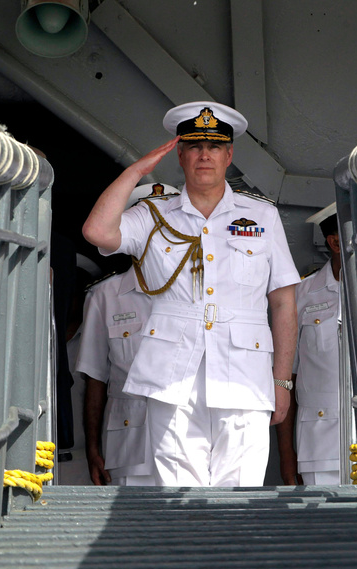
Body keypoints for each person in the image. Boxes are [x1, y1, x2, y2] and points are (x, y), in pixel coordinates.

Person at [81, 101, 299, 487]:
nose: (204, 155)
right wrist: (135, 172)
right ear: (179, 154)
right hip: (171, 380)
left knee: (242, 496)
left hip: (245, 379)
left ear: (229, 155)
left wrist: (281, 381)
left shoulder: (262, 217)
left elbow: (283, 302)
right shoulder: (153, 214)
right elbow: (98, 232)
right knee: (179, 496)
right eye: (194, 146)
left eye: (214, 147)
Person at [74, 184, 175, 486]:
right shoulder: (105, 296)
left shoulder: (205, 291)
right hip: (128, 445)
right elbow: (95, 378)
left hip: (187, 441)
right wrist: (93, 449)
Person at [277, 212, 343, 485]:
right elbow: (285, 379)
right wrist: (286, 454)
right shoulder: (301, 296)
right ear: (335, 243)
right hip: (319, 444)